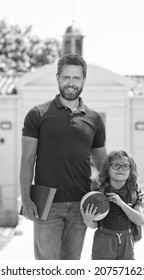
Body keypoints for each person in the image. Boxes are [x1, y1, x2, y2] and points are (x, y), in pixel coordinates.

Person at [19, 54, 106, 260]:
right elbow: (27, 159)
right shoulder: (37, 114)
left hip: (81, 204)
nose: (71, 83)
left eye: (76, 78)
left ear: (84, 80)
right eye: (66, 77)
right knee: (48, 268)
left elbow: (103, 164)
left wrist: (106, 196)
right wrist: (26, 198)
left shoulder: (94, 119)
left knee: (71, 267)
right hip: (46, 203)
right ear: (58, 78)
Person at [81, 150, 144, 260]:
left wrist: (121, 204)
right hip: (104, 241)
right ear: (107, 169)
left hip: (127, 242)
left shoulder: (135, 193)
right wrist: (88, 219)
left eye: (125, 166)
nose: (120, 168)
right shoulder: (98, 193)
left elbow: (139, 220)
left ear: (131, 170)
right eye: (115, 165)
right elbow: (94, 225)